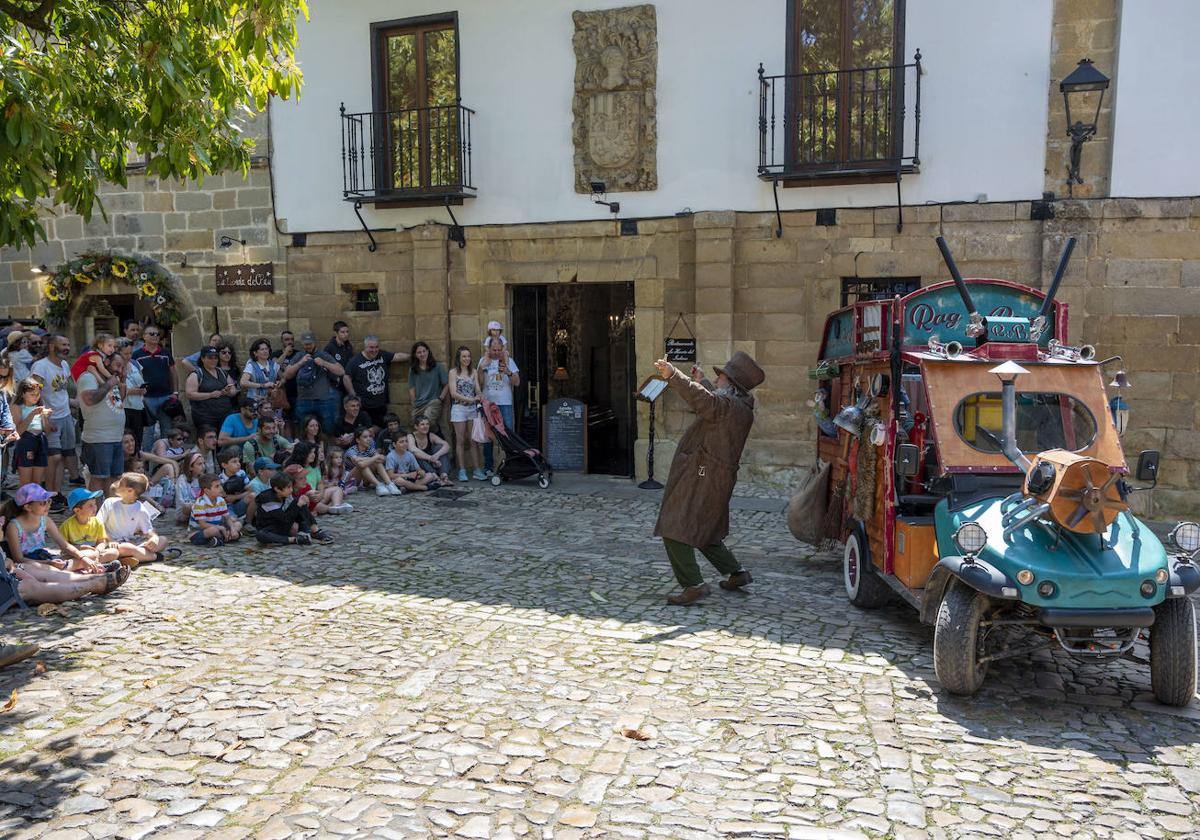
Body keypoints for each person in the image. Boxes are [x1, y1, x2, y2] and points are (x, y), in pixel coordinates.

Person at [652, 352, 764, 606]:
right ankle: (737, 573)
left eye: (721, 376)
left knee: (674, 526)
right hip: (717, 475)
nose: (718, 378)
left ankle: (694, 585)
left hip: (702, 473)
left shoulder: (726, 408)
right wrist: (703, 382)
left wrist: (674, 375)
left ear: (731, 382)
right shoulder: (742, 406)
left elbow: (707, 403)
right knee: (706, 527)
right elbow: (714, 403)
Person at [2, 484, 126, 601]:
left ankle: (86, 569)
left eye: (49, 501)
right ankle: (91, 575)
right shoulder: (14, 526)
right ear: (28, 507)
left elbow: (65, 546)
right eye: (43, 502)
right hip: (30, 563)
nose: (48, 505)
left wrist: (83, 558)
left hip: (45, 557)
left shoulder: (45, 521)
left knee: (90, 554)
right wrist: (49, 563)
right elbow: (19, 559)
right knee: (55, 569)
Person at [31, 335, 77, 510]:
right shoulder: (41, 366)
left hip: (65, 416)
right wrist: (44, 418)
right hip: (50, 417)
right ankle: (48, 494)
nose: (67, 347)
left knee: (63, 457)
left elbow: (62, 392)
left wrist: (73, 405)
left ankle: (56, 494)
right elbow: (34, 395)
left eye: (68, 344)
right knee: (53, 457)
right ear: (51, 346)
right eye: (63, 344)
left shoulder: (64, 365)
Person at [98, 472, 178, 567]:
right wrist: (111, 540)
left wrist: (154, 538)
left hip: (131, 543)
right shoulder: (109, 503)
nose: (116, 485)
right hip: (112, 544)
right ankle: (156, 556)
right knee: (126, 548)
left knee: (163, 540)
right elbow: (99, 524)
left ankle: (132, 557)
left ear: (130, 491)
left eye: (120, 483)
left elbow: (148, 531)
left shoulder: (141, 509)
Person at [78, 352, 127, 494]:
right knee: (98, 477)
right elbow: (90, 399)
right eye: (117, 365)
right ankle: (97, 513)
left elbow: (116, 404)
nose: (120, 370)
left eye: (122, 367)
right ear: (105, 363)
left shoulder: (109, 380)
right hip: (98, 439)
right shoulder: (89, 377)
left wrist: (121, 385)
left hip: (116, 438)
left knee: (113, 478)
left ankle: (108, 511)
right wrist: (108, 384)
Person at [343, 335, 410, 429]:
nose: (374, 350)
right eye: (371, 347)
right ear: (365, 347)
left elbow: (396, 356)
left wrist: (414, 357)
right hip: (364, 405)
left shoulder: (382, 355)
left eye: (376, 347)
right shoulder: (355, 361)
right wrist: (354, 396)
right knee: (366, 431)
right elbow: (346, 378)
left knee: (381, 429)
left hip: (380, 404)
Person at [285, 331, 344, 435]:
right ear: (302, 343)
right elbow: (287, 375)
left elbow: (341, 371)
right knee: (301, 429)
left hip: (323, 400)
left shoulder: (323, 355)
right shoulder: (299, 355)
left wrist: (324, 363)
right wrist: (300, 363)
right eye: (306, 344)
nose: (308, 346)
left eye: (310, 343)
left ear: (314, 342)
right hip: (303, 400)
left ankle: (324, 449)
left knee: (327, 429)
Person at [477, 338, 520, 477]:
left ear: (503, 349)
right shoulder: (482, 361)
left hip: (505, 403)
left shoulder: (509, 361)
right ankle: (488, 467)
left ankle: (509, 465)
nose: (496, 353)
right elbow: (480, 383)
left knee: (507, 434)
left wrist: (508, 372)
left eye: (499, 350)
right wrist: (483, 368)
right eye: (494, 350)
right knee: (488, 436)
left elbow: (517, 382)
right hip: (489, 403)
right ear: (488, 349)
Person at [253, 472, 332, 546]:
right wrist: (297, 505)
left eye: (291, 487)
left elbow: (292, 514)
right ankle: (294, 540)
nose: (291, 490)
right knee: (260, 535)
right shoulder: (267, 499)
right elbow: (285, 519)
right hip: (271, 529)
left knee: (300, 501)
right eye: (288, 487)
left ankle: (316, 531)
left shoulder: (285, 495)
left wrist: (300, 503)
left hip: (284, 524)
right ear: (277, 489)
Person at [133, 325, 178, 447]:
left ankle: (165, 459)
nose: (155, 336)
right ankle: (147, 462)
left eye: (157, 334)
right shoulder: (137, 355)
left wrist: (175, 393)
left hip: (165, 396)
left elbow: (173, 372)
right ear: (144, 336)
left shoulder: (165, 353)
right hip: (147, 398)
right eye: (152, 334)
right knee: (148, 431)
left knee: (167, 430)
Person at [448, 346, 484, 482]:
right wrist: (471, 399)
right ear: (459, 358)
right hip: (459, 409)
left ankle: (477, 469)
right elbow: (453, 393)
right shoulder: (453, 372)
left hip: (472, 410)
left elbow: (477, 389)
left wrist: (480, 396)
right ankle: (462, 470)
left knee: (473, 440)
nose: (467, 359)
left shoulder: (473, 372)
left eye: (468, 356)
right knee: (460, 440)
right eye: (464, 356)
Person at [59, 488, 121, 568]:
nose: (95, 507)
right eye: (90, 505)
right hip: (77, 554)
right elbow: (64, 548)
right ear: (77, 510)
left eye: (94, 504)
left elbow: (102, 542)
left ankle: (83, 565)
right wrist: (79, 548)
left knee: (114, 552)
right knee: (77, 556)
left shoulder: (98, 522)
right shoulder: (66, 526)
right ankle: (96, 565)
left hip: (94, 553)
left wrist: (97, 551)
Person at [285, 443, 351, 515]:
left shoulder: (314, 467)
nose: (313, 455)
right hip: (302, 498)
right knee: (316, 505)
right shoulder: (293, 469)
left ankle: (336, 506)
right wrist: (308, 495)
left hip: (316, 496)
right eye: (310, 452)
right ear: (302, 453)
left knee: (337, 489)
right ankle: (330, 508)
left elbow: (320, 483)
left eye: (314, 452)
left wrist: (320, 494)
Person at [185, 346, 238, 433]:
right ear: (202, 358)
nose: (213, 360)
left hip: (225, 414)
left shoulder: (222, 372)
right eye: (210, 358)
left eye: (215, 358)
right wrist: (210, 395)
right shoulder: (197, 374)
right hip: (205, 416)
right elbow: (190, 394)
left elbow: (233, 388)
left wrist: (229, 392)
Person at [12, 377, 52, 490]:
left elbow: (47, 430)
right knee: (26, 482)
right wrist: (32, 414)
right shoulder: (17, 407)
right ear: (23, 394)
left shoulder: (39, 406)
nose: (36, 397)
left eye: (37, 394)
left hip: (40, 441)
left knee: (37, 482)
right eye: (32, 394)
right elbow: (18, 431)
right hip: (26, 441)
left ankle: (35, 506)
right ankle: (23, 506)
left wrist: (45, 418)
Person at [189, 473, 243, 546]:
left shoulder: (220, 500)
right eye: (217, 486)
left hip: (218, 527)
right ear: (207, 491)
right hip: (200, 532)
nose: (221, 488)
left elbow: (227, 518)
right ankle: (226, 538)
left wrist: (233, 529)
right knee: (213, 530)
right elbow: (202, 524)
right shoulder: (200, 503)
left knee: (237, 524)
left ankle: (220, 539)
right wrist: (220, 528)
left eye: (220, 485)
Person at [345, 426, 398, 496]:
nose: (368, 439)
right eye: (365, 437)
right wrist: (376, 457)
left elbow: (383, 459)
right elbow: (358, 461)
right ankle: (379, 485)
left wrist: (373, 458)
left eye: (369, 436)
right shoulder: (352, 450)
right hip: (351, 481)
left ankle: (390, 484)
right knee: (362, 465)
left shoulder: (369, 449)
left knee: (376, 463)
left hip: (365, 480)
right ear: (357, 440)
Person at [408, 341, 448, 431]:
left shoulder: (438, 366)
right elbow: (411, 387)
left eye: (424, 351)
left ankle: (438, 440)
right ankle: (433, 438)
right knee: (415, 426)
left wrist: (440, 399)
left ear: (428, 351)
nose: (422, 354)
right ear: (415, 355)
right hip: (418, 404)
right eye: (419, 352)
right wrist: (414, 402)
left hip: (433, 402)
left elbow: (446, 384)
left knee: (425, 422)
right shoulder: (413, 369)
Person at [117, 338, 149, 450]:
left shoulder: (135, 364)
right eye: (125, 353)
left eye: (130, 353)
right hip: (123, 408)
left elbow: (142, 382)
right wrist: (132, 391)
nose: (128, 356)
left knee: (137, 441)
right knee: (124, 441)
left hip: (137, 408)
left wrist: (143, 390)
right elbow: (114, 389)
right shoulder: (113, 368)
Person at [241, 338, 284, 408]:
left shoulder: (274, 365)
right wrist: (263, 385)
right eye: (262, 349)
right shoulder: (251, 365)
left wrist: (280, 382)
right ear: (255, 353)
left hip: (271, 402)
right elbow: (243, 382)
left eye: (266, 349)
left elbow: (283, 378)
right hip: (255, 401)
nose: (265, 351)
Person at [408, 416, 452, 484]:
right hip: (423, 466)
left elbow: (446, 445)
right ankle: (437, 478)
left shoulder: (431, 435)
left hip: (434, 464)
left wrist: (437, 455)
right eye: (422, 424)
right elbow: (413, 450)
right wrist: (430, 458)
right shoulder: (410, 436)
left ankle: (444, 476)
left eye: (427, 424)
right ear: (416, 427)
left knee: (439, 447)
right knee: (414, 455)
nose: (425, 426)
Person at [217, 448, 255, 520]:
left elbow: (251, 490)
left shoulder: (241, 473)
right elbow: (224, 500)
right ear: (224, 465)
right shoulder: (220, 480)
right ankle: (236, 521)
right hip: (227, 508)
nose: (238, 464)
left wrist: (235, 497)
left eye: (239, 461)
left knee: (253, 496)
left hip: (240, 503)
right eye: (234, 462)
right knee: (233, 520)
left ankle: (248, 522)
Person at [174, 451, 207, 526]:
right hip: (185, 510)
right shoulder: (182, 479)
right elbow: (183, 501)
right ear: (190, 467)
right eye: (199, 464)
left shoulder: (204, 478)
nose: (203, 466)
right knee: (187, 507)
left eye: (203, 463)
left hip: (202, 507)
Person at [324, 321, 354, 394]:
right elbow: (325, 367)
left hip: (348, 383)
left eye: (347, 332)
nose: (346, 334)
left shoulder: (349, 346)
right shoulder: (330, 348)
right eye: (342, 332)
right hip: (335, 387)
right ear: (336, 333)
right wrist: (336, 379)